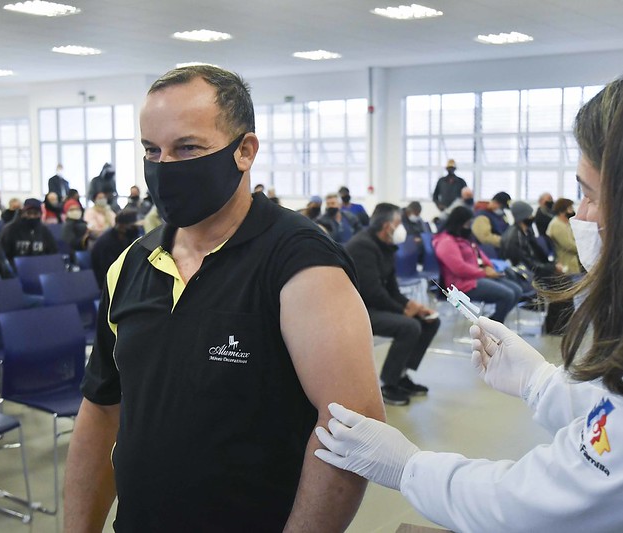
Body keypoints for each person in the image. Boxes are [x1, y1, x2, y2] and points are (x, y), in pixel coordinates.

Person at [313, 61, 623, 532]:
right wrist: (539, 382)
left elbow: (539, 505)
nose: (582, 213)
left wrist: (408, 467)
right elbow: (620, 423)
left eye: (591, 194)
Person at [63, 64, 384, 532]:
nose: (165, 167)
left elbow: (350, 426)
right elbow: (101, 407)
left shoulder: (301, 265)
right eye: (152, 150)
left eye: (188, 147)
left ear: (244, 151)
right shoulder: (132, 263)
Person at [345, 203, 440, 406]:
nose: (401, 228)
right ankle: (388, 384)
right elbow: (372, 292)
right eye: (398, 223)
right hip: (357, 309)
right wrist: (403, 311)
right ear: (388, 226)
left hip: (374, 304)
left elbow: (391, 288)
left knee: (430, 321)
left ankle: (401, 375)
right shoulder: (363, 246)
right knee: (409, 326)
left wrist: (412, 306)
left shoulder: (386, 245)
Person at [433, 206, 522, 323]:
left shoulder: (464, 238)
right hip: (462, 284)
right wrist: (484, 273)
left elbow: (480, 254)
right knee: (508, 295)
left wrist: (489, 267)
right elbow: (459, 268)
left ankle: (492, 322)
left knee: (517, 290)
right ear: (459, 222)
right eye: (467, 223)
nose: (469, 226)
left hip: (476, 278)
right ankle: (493, 326)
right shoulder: (446, 242)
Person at [500, 200, 562, 280]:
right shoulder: (514, 236)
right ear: (523, 216)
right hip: (524, 273)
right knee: (561, 281)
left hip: (534, 269)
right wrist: (551, 268)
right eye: (530, 214)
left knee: (563, 278)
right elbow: (525, 263)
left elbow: (537, 254)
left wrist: (551, 266)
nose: (532, 217)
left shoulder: (527, 231)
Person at [89, 209, 140, 289]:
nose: (135, 229)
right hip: (109, 285)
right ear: (121, 226)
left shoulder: (125, 238)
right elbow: (110, 272)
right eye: (132, 226)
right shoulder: (106, 244)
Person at [0, 198, 58, 265]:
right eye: (29, 213)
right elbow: (2, 254)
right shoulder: (10, 229)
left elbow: (53, 253)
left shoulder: (45, 231)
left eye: (35, 213)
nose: (32, 216)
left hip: (40, 267)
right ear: (23, 213)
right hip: (16, 268)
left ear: (40, 214)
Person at [546, 198, 580, 274]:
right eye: (570, 208)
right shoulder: (557, 225)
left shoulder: (565, 223)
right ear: (562, 211)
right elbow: (569, 246)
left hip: (572, 264)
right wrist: (584, 249)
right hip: (566, 266)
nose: (572, 211)